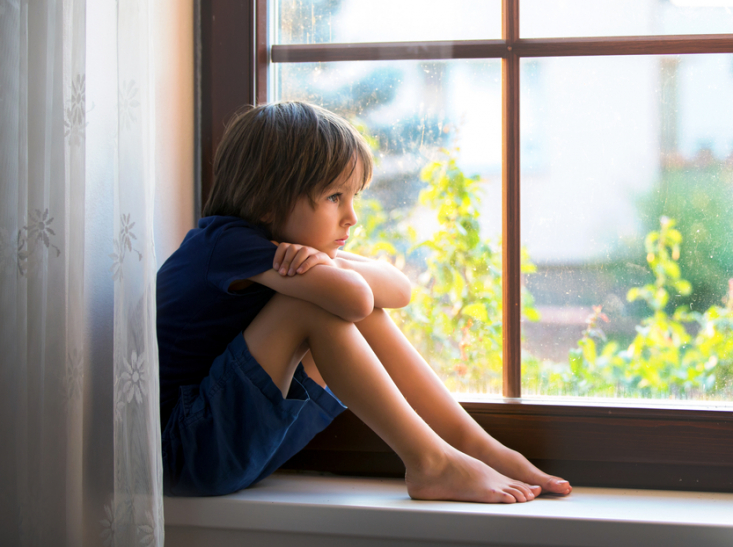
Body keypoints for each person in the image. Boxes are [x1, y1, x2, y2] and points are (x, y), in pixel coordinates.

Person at [158, 101, 572, 502]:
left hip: (230, 445)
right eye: (335, 197)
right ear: (267, 203)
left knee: (345, 301)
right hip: (187, 450)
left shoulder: (289, 249)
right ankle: (429, 461)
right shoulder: (226, 243)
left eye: (354, 196)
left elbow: (398, 290)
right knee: (314, 305)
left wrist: (327, 263)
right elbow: (355, 298)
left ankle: (471, 444)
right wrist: (329, 268)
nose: (352, 217)